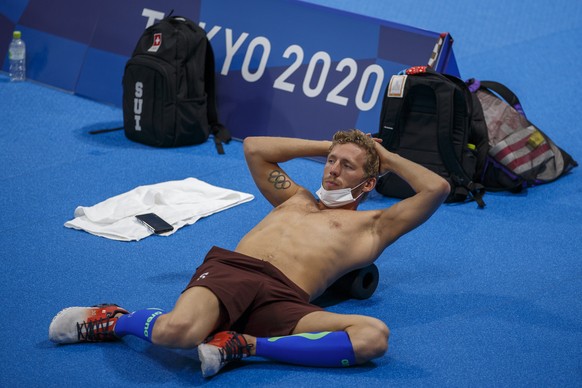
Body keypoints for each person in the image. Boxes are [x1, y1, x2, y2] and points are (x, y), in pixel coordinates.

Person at [49, 129, 450, 377]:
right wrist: (335, 142)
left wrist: (387, 157)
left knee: (373, 337)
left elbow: (437, 190)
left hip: (286, 299)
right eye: (330, 161)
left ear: (367, 183)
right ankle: (116, 319)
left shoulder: (373, 228)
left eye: (347, 166)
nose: (332, 170)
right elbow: (256, 148)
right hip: (235, 271)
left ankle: (244, 344)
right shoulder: (294, 197)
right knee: (179, 334)